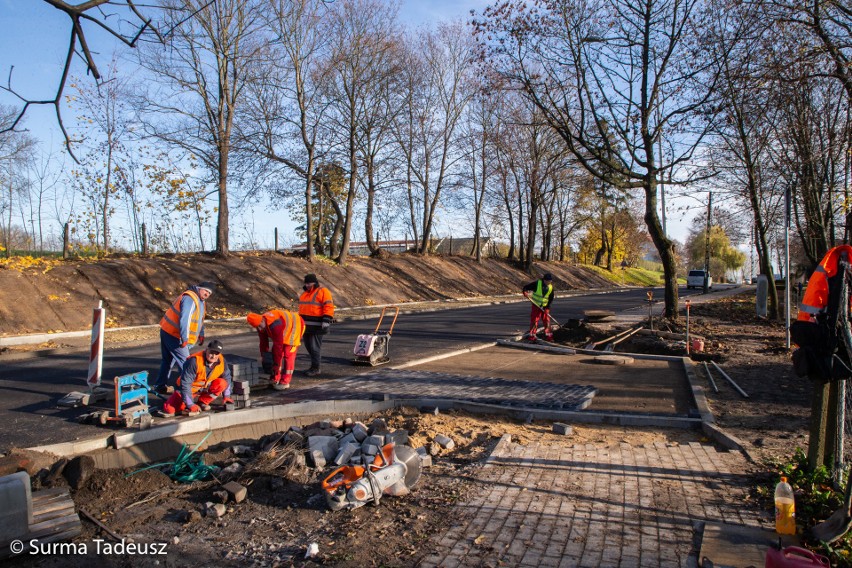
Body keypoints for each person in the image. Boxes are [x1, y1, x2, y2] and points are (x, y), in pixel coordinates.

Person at [153, 281, 216, 394]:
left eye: (209, 293)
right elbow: (185, 319)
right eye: (206, 291)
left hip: (168, 330)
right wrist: (184, 338)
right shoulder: (190, 298)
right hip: (175, 335)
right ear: (199, 288)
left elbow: (199, 319)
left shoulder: (200, 301)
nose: (207, 294)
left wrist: (201, 333)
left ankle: (160, 386)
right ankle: (188, 391)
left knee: (167, 361)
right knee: (186, 363)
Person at [160, 339, 232, 417]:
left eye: (216, 353)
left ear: (220, 354)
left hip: (204, 388)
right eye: (211, 352)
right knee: (169, 409)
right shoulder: (194, 361)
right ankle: (185, 406)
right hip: (187, 389)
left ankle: (203, 402)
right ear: (206, 350)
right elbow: (185, 384)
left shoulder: (221, 361)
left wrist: (227, 396)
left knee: (222, 383)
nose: (213, 356)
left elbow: (227, 377)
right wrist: (190, 404)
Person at [246, 310, 305, 390]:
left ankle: (285, 381)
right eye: (258, 327)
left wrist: (276, 365)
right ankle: (275, 377)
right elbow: (263, 343)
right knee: (275, 353)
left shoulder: (275, 325)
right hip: (284, 329)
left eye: (260, 326)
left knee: (288, 354)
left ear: (262, 320)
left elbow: (278, 346)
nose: (260, 328)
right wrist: (264, 357)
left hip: (295, 326)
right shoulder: (260, 324)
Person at [298, 273, 335, 376]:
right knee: (309, 346)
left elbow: (328, 306)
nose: (307, 285)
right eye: (306, 283)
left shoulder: (323, 291)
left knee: (314, 348)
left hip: (317, 326)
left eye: (309, 283)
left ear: (314, 282)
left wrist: (326, 319)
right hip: (306, 326)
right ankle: (314, 366)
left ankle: (316, 368)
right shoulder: (304, 294)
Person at [523, 273, 554, 341]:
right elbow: (526, 287)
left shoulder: (551, 287)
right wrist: (525, 292)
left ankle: (549, 335)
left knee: (547, 321)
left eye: (550, 281)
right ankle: (532, 335)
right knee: (534, 320)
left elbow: (551, 298)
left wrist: (547, 307)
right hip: (536, 305)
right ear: (544, 280)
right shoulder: (537, 284)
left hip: (545, 306)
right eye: (548, 281)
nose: (549, 282)